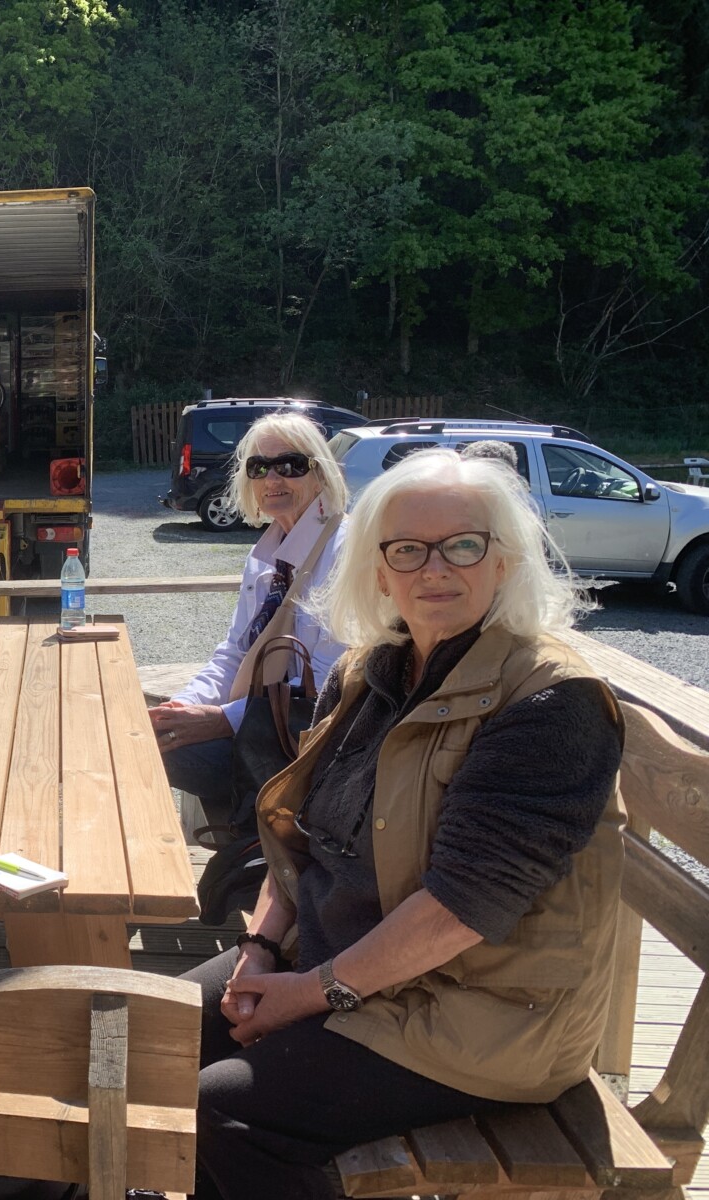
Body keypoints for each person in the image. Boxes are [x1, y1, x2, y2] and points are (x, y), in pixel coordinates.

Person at [182, 447, 625, 1200]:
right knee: (141, 1036)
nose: (435, 569)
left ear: (505, 560)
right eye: (408, 550)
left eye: (463, 545)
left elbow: (463, 907)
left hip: (486, 1013)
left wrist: (309, 992)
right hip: (343, 959)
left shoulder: (552, 704)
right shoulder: (370, 671)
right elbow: (301, 838)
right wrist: (258, 949)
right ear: (379, 570)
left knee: (221, 1110)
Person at [149, 412, 349, 832]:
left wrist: (222, 719)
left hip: (314, 746)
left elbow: (330, 686)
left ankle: (255, 843)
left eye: (290, 465)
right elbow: (235, 653)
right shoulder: (267, 555)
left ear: (320, 474)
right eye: (259, 467)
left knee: (154, 750)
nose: (272, 478)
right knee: (151, 732)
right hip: (262, 727)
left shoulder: (345, 552)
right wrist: (183, 705)